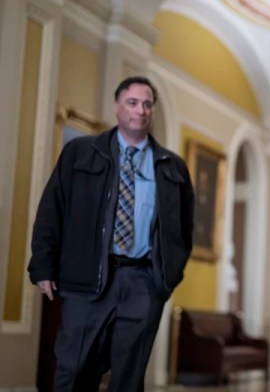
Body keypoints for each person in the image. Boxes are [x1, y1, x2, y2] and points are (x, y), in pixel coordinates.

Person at [27, 76, 195, 391]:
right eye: (132, 102)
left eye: (147, 104)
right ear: (117, 107)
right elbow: (53, 210)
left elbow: (184, 230)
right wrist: (43, 266)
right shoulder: (80, 153)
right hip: (86, 279)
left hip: (144, 284)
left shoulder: (172, 167)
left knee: (129, 381)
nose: (140, 110)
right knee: (74, 371)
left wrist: (166, 279)